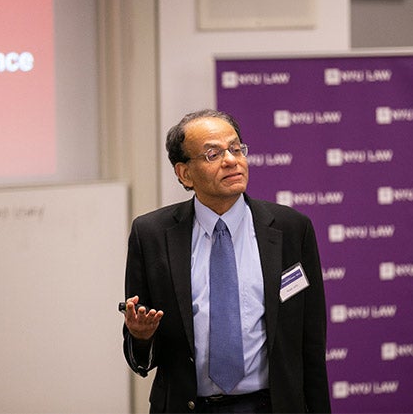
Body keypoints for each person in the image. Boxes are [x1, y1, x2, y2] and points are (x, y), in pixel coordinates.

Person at [122, 109, 331, 413]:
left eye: (236, 149)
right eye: (212, 154)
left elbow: (310, 344)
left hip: (272, 405)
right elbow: (141, 352)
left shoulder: (291, 228)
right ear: (184, 173)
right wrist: (141, 337)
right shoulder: (151, 234)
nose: (231, 160)